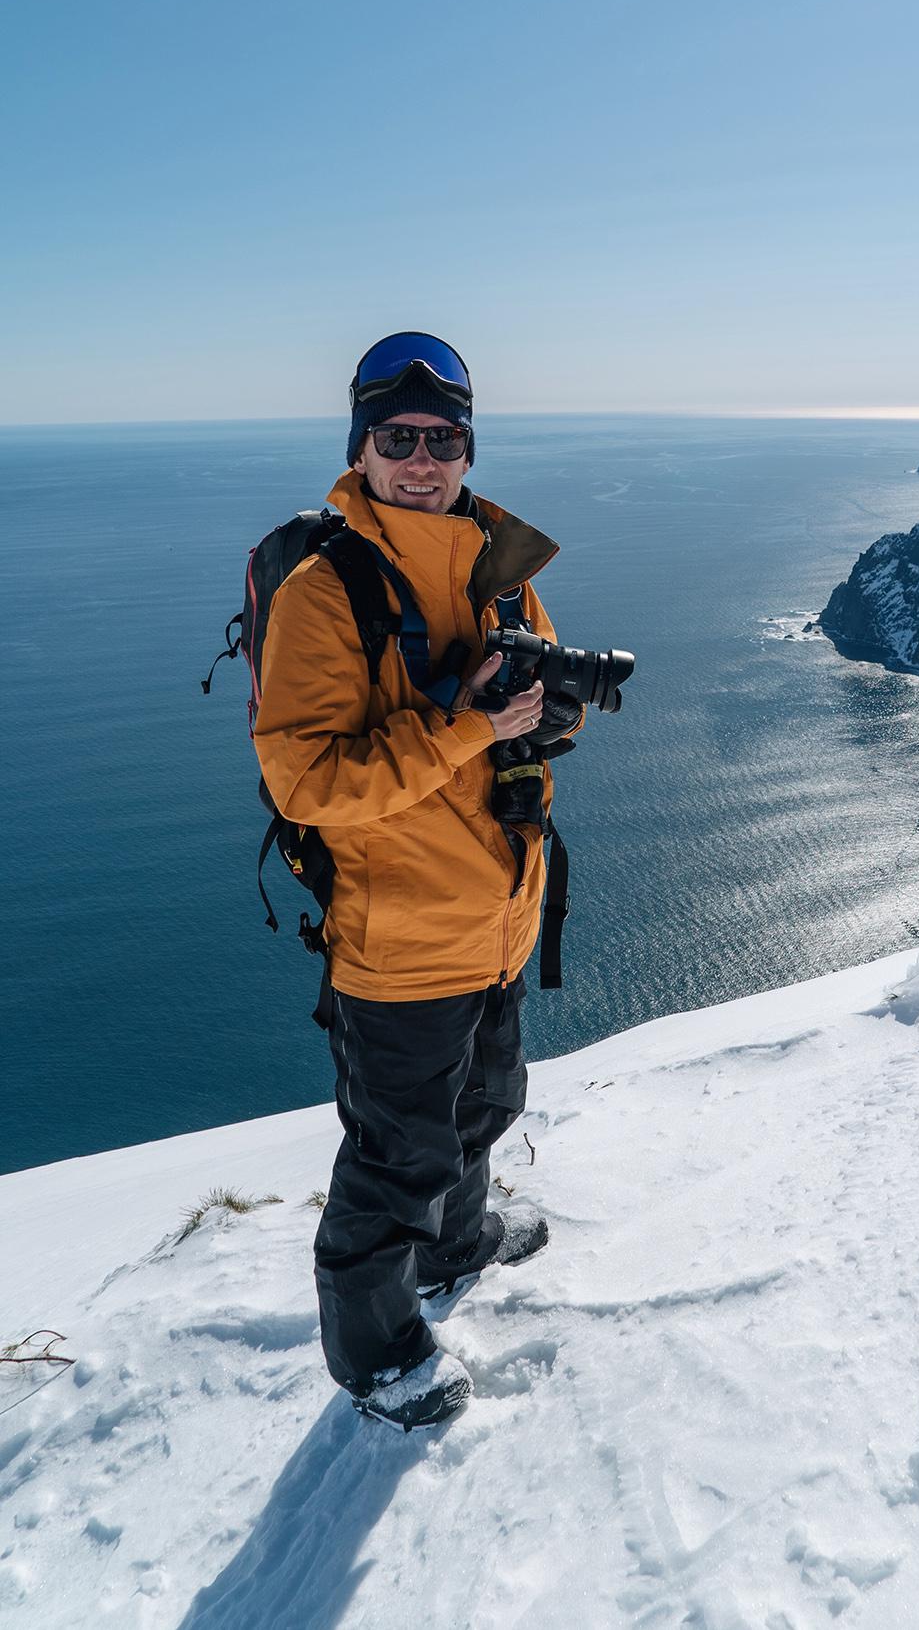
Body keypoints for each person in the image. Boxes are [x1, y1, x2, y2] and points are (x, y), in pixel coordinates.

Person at [253, 332, 580, 1430]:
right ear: (362, 444)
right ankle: (378, 1355)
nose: (423, 459)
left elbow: (518, 706)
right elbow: (304, 780)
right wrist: (465, 726)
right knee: (398, 1159)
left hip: (495, 914)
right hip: (397, 938)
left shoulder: (497, 562)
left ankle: (458, 1244)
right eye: (398, 438)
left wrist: (547, 715)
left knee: (487, 1104)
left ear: (467, 447)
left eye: (444, 438)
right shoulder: (323, 587)